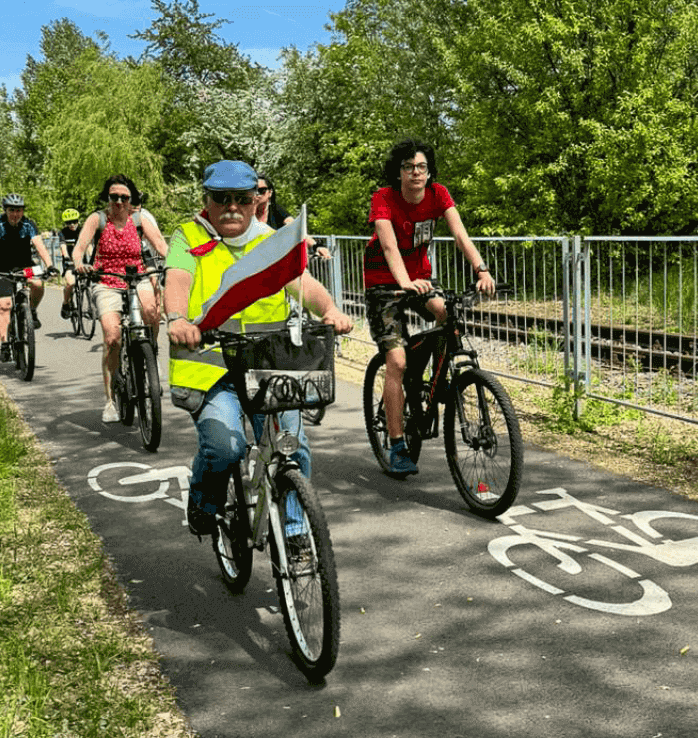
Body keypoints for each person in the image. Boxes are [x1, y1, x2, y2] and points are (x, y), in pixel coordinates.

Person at [164, 160, 352, 537]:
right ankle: (203, 500)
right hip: (212, 368)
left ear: (255, 201)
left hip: (267, 367)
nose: (231, 207)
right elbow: (178, 279)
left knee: (293, 448)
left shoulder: (271, 241)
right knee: (225, 448)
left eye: (242, 198)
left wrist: (329, 309)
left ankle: (298, 534)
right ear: (207, 200)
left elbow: (303, 282)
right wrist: (177, 319)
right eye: (221, 198)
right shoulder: (188, 236)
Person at [363, 138, 495, 475]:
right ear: (398, 173)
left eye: (421, 167)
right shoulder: (384, 198)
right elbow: (389, 246)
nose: (415, 173)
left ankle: (440, 382)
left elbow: (461, 235)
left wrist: (481, 269)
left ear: (429, 171)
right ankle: (395, 445)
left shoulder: (438, 194)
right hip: (384, 283)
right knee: (396, 360)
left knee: (447, 312)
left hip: (420, 279)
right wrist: (403, 281)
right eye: (408, 167)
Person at [73, 175, 169, 423]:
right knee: (112, 336)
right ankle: (110, 399)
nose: (118, 201)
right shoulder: (98, 219)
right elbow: (80, 247)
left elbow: (160, 244)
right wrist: (79, 264)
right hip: (105, 280)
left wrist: (175, 264)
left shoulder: (139, 220)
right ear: (107, 198)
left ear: (131, 200)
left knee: (152, 311)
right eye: (113, 197)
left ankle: (151, 351)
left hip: (137, 277)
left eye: (124, 197)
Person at [0, 194, 54, 363]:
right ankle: (5, 343)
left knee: (37, 283)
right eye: (12, 210)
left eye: (19, 210)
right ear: (5, 211)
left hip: (25, 267)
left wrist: (50, 265)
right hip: (2, 268)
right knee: (4, 304)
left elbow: (40, 246)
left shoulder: (29, 224)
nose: (15, 214)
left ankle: (32, 310)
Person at [58, 209, 83, 318]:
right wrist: (67, 258)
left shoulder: (83, 230)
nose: (72, 224)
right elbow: (63, 247)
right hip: (70, 262)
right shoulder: (63, 233)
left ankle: (92, 307)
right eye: (69, 222)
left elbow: (89, 246)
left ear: (78, 221)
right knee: (71, 282)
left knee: (93, 284)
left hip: (82, 261)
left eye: (74, 221)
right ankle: (66, 303)